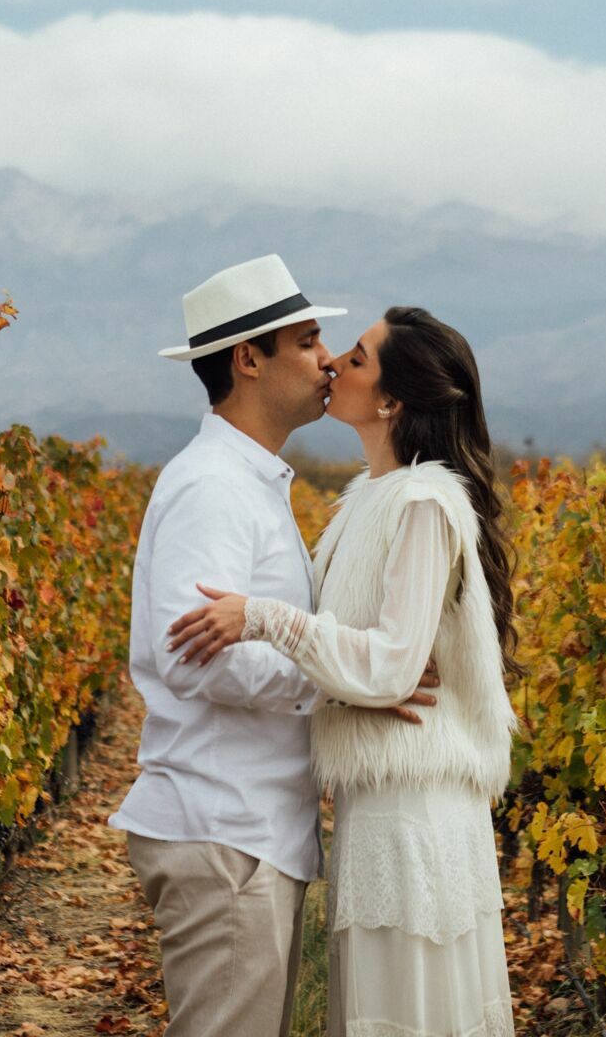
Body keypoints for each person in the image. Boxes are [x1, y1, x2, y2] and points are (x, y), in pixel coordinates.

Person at [168, 305, 521, 1037]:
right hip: (380, 802)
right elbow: (366, 664)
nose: (332, 364)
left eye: (355, 358)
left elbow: (391, 665)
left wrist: (263, 617)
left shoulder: (424, 503)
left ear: (392, 399)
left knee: (409, 1014)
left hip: (417, 810)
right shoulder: (371, 499)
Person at [110, 256, 439, 1037]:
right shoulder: (214, 489)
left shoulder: (248, 482)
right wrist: (345, 683)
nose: (326, 358)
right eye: (306, 340)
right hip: (225, 830)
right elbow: (204, 656)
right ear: (247, 360)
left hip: (246, 831)